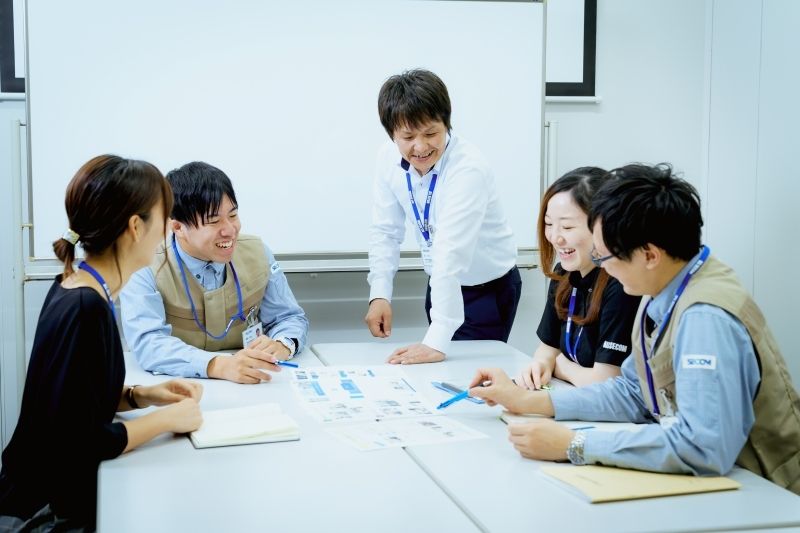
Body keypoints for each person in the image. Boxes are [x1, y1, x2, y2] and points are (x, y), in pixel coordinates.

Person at [469, 164, 800, 494]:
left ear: (650, 255)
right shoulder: (664, 287)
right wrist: (528, 401)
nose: (602, 266)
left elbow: (703, 447)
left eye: (605, 257)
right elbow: (633, 392)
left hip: (763, 492)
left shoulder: (704, 319)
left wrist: (575, 444)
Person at [0, 155, 203, 531]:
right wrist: (165, 420)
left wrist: (142, 395)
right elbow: (80, 444)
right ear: (136, 227)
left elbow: (75, 401)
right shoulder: (86, 307)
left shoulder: (75, 284)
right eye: (164, 218)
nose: (168, 231)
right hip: (43, 513)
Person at [365, 69, 521, 365]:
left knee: (470, 375)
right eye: (408, 137)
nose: (421, 147)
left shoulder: (468, 168)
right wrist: (380, 293)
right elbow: (386, 231)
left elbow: (451, 252)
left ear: (447, 124)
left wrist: (435, 342)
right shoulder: (386, 158)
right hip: (439, 280)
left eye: (431, 133)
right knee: (440, 372)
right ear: (392, 134)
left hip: (485, 288)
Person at [120, 162, 309, 384]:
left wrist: (283, 344)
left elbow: (289, 317)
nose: (230, 230)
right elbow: (148, 342)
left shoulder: (257, 252)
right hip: (177, 387)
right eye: (213, 221)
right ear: (178, 227)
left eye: (233, 215)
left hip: (252, 384)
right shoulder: (144, 264)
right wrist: (218, 365)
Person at [519, 167, 640, 389]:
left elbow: (607, 381)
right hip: (572, 396)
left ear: (602, 225)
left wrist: (563, 367)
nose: (555, 237)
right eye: (548, 224)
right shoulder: (563, 274)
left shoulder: (622, 283)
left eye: (567, 227)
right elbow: (548, 348)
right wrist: (540, 364)